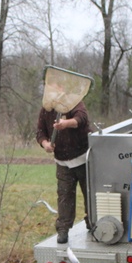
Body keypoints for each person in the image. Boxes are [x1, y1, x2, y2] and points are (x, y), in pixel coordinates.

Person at [36, 97, 93, 244]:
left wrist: (65, 123)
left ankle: (93, 223)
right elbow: (40, 132)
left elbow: (82, 118)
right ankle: (63, 230)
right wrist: (45, 144)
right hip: (62, 162)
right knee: (64, 195)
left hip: (83, 159)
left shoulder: (74, 102)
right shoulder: (46, 109)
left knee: (89, 193)